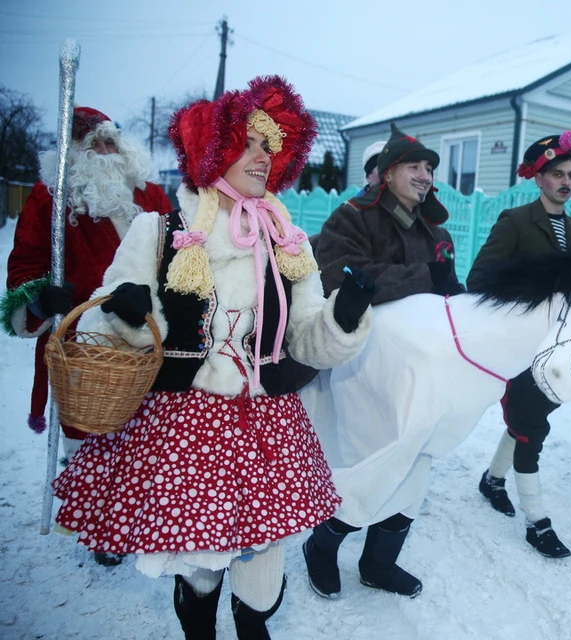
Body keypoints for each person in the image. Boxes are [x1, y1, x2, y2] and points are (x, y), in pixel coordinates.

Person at [50, 76, 374, 640]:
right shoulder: (159, 229)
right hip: (186, 425)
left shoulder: (287, 240)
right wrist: (126, 313)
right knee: (202, 567)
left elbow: (305, 339)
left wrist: (344, 318)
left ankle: (254, 627)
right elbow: (113, 327)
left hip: (267, 422)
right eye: (247, 143)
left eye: (269, 146)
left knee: (266, 563)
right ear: (212, 149)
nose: (260, 157)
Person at [1, 108, 172, 566]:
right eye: (92, 144)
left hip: (148, 334)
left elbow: (179, 254)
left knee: (144, 437)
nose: (105, 151)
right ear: (72, 155)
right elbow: (23, 271)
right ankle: (97, 519)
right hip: (85, 346)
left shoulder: (150, 193)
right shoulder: (50, 199)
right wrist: (39, 301)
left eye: (110, 141)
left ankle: (132, 514)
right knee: (91, 438)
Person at [304, 123, 462, 599]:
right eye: (414, 166)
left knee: (417, 463)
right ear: (388, 172)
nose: (425, 174)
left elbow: (446, 290)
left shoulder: (437, 228)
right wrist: (425, 277)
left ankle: (377, 564)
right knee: (372, 460)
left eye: (430, 167)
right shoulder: (353, 216)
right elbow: (340, 275)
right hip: (363, 364)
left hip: (422, 366)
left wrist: (455, 294)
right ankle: (323, 543)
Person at [470, 131, 571, 559]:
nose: (565, 182)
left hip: (558, 351)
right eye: (556, 173)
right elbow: (479, 279)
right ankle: (538, 523)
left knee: (526, 422)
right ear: (538, 178)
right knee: (531, 431)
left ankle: (492, 481)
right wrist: (533, 294)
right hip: (521, 347)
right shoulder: (516, 222)